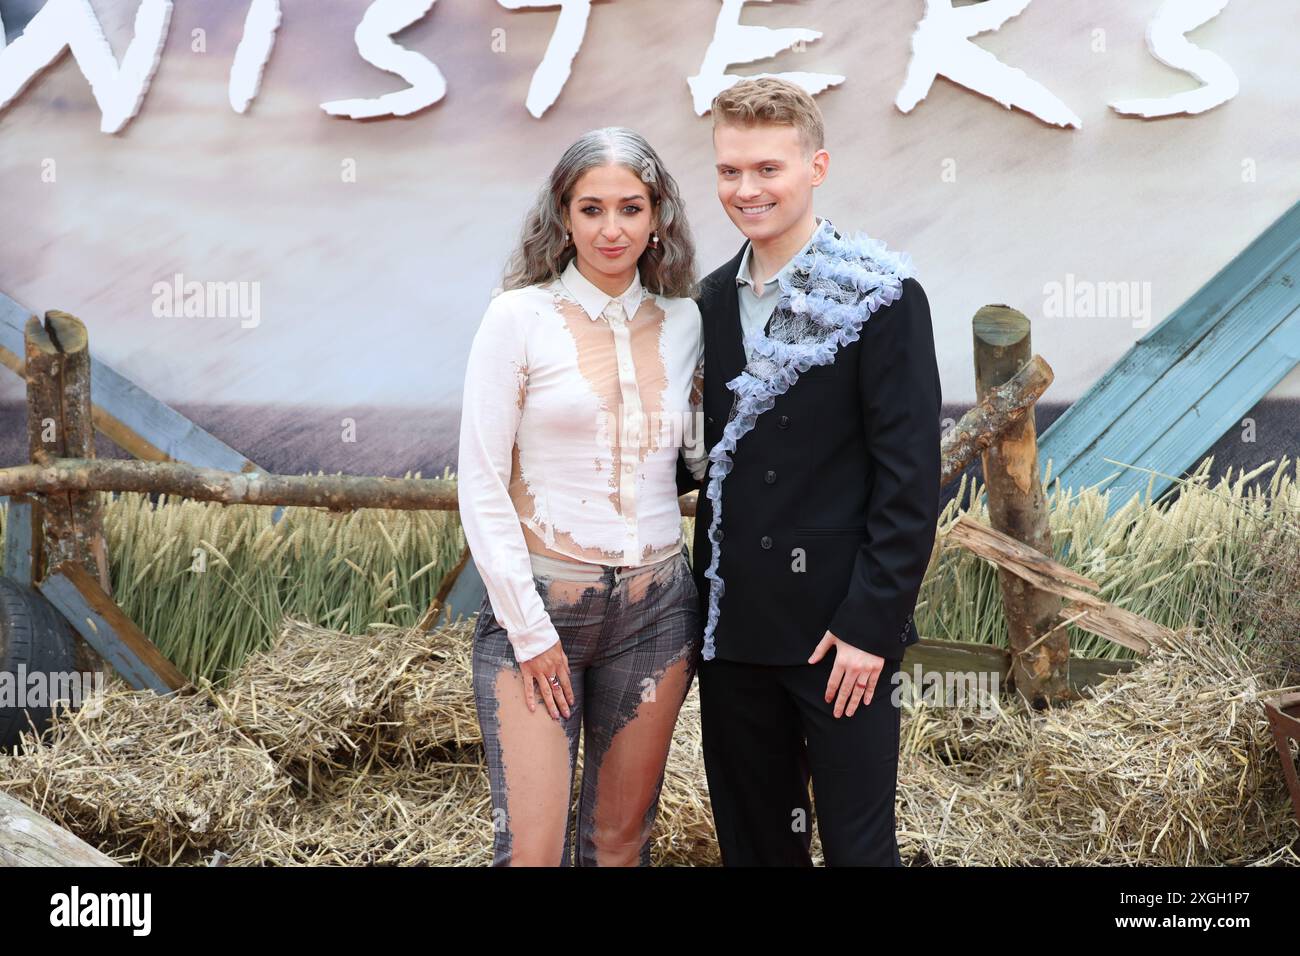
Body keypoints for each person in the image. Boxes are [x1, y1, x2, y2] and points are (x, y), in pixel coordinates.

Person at [681, 77, 942, 866]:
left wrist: (872, 628)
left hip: (841, 638)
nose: (746, 189)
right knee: (755, 847)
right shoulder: (707, 303)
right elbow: (697, 458)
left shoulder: (881, 297)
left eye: (768, 169)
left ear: (816, 166)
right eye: (730, 171)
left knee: (861, 850)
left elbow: (909, 480)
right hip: (734, 637)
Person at [457, 127, 706, 866]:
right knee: (531, 853)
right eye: (590, 208)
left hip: (658, 613)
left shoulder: (688, 322)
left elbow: (698, 456)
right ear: (562, 216)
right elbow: (480, 479)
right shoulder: (516, 318)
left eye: (630, 208)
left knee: (621, 845)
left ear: (657, 215)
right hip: (540, 614)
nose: (611, 228)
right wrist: (530, 631)